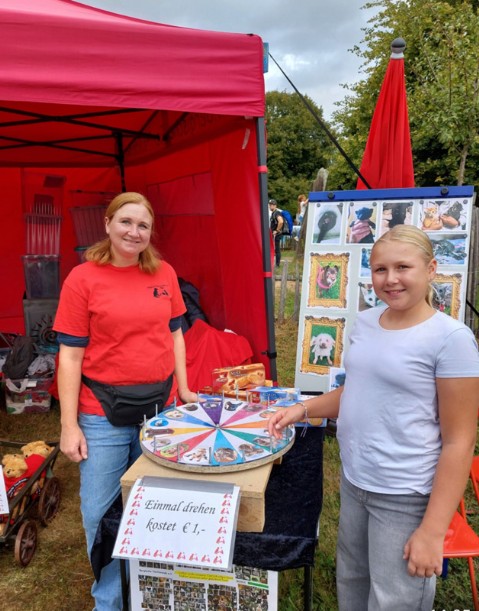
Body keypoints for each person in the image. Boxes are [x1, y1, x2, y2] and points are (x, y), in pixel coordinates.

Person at [268, 224, 479, 611]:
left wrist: (433, 531)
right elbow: (357, 390)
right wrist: (303, 409)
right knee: (352, 581)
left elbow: (459, 441)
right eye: (381, 269)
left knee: (394, 599)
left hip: (405, 494)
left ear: (431, 269)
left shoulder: (451, 339)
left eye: (403, 267)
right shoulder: (367, 322)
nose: (390, 279)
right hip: (356, 480)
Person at [53, 192, 197, 611]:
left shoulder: (164, 273)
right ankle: (110, 601)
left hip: (160, 412)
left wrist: (184, 388)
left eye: (143, 226)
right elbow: (70, 356)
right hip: (102, 416)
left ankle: (151, 594)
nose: (134, 232)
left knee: (157, 505)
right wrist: (69, 425)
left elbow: (175, 334)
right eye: (126, 222)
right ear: (108, 223)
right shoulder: (83, 279)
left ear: (151, 232)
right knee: (101, 514)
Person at [268, 198, 284, 267]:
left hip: (277, 234)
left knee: (277, 249)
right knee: (275, 249)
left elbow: (281, 221)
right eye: (270, 205)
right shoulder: (273, 213)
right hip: (275, 234)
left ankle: (277, 265)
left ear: (275, 205)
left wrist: (276, 230)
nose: (270, 206)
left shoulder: (277, 213)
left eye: (271, 205)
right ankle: (274, 263)